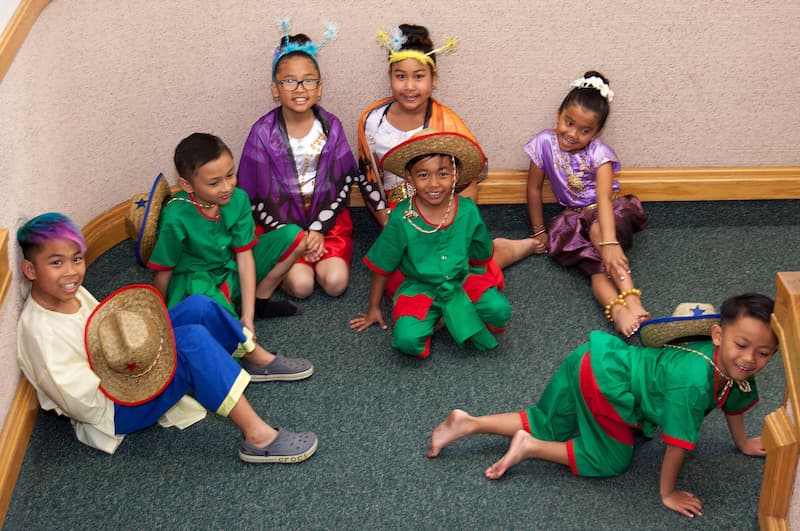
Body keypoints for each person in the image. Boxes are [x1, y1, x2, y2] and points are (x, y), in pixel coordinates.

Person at [427, 294, 778, 518]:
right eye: (742, 345)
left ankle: (468, 423)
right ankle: (530, 447)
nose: (750, 359)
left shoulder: (730, 366)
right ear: (718, 335)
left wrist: (743, 443)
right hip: (606, 383)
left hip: (590, 357)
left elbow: (736, 403)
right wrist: (668, 492)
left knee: (545, 419)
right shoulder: (693, 381)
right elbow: (677, 444)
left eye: (763, 353)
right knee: (611, 459)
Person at [16, 213, 318, 462]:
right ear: (29, 269)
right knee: (190, 344)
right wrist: (143, 371)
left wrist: (142, 350)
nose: (71, 272)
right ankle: (258, 437)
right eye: (56, 263)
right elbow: (85, 406)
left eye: (76, 259)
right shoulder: (40, 333)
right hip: (115, 408)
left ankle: (255, 358)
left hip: (126, 369)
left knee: (198, 305)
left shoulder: (70, 292)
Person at [357, 23, 536, 275]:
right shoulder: (372, 121)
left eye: (419, 76)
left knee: (463, 271)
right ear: (390, 77)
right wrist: (388, 223)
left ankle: (512, 248)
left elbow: (467, 185)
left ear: (434, 78)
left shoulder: (447, 123)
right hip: (400, 217)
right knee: (407, 276)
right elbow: (369, 181)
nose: (409, 86)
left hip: (443, 214)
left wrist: (450, 227)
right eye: (401, 76)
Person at [238, 22, 384, 299]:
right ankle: (292, 261)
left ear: (319, 87)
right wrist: (295, 236)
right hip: (281, 224)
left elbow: (344, 180)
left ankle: (316, 252)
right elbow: (251, 192)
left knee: (336, 282)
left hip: (327, 222)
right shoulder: (261, 133)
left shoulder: (332, 128)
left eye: (308, 80)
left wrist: (317, 229)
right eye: (289, 81)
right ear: (274, 89)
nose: (299, 88)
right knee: (302, 287)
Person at [350, 130, 511, 359]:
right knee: (407, 341)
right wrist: (373, 308)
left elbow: (481, 254)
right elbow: (382, 265)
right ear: (409, 176)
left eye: (443, 174)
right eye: (423, 175)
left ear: (455, 175)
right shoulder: (400, 217)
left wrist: (481, 284)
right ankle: (446, 316)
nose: (434, 184)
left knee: (500, 311)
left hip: (461, 280)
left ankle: (444, 316)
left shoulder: (467, 209)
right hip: (419, 286)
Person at [525, 71, 648, 337]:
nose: (572, 134)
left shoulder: (600, 154)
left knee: (597, 235)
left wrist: (611, 243)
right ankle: (616, 309)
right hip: (572, 219)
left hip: (606, 215)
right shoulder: (544, 143)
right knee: (595, 268)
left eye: (585, 130)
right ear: (558, 114)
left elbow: (603, 199)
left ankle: (631, 297)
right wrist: (538, 230)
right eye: (568, 123)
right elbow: (534, 188)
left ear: (597, 131)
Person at [145, 133, 307, 326]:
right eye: (214, 183)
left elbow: (245, 256)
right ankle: (226, 312)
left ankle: (259, 302)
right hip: (197, 281)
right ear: (187, 185)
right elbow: (163, 272)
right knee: (226, 326)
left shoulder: (238, 198)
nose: (227, 187)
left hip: (231, 269)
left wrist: (248, 315)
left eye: (230, 174)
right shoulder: (175, 216)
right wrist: (159, 314)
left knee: (295, 236)